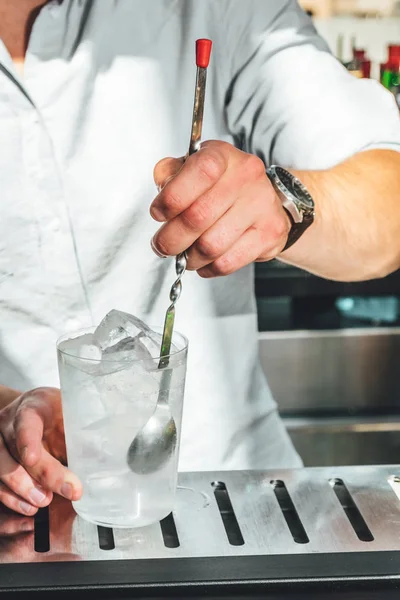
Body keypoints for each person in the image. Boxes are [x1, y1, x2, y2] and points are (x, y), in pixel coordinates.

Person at [0, 0, 399, 517]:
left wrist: (284, 204)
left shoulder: (216, 6)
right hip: (28, 517)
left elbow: (388, 198)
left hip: (243, 500)